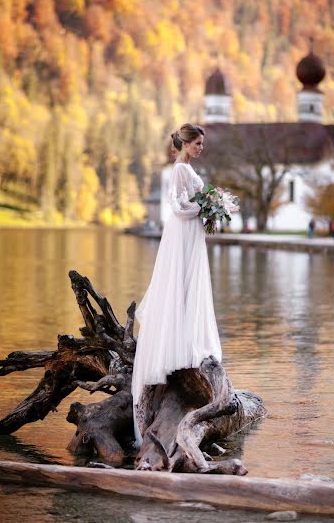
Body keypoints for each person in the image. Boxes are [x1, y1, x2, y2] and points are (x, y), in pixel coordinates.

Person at [131, 124, 222, 446]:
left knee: (191, 286)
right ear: (184, 144)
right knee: (180, 284)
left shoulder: (188, 169)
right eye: (197, 143)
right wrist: (208, 206)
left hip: (191, 235)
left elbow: (188, 206)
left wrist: (212, 206)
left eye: (202, 144)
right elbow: (179, 208)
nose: (201, 148)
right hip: (183, 235)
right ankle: (176, 350)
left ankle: (187, 343)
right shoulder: (180, 170)